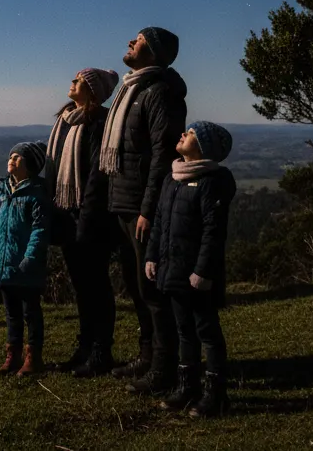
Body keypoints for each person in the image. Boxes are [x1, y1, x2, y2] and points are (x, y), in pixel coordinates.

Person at [99, 26, 187, 394]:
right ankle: (148, 355)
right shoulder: (132, 89)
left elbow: (161, 156)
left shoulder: (159, 92)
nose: (129, 43)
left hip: (140, 205)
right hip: (123, 201)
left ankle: (164, 369)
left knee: (152, 290)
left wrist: (147, 209)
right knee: (138, 288)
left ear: (151, 50)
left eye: (136, 39)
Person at [144, 120, 236, 417]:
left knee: (206, 330)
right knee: (184, 329)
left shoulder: (212, 181)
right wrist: (152, 257)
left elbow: (213, 231)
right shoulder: (173, 178)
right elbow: (159, 223)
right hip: (173, 268)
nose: (183, 134)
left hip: (197, 274)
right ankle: (188, 387)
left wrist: (203, 271)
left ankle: (216, 393)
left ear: (204, 148)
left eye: (192, 134)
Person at [45, 67, 120, 377]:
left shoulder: (98, 121)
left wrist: (87, 218)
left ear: (91, 90)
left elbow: (96, 174)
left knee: (97, 285)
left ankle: (101, 351)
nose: (71, 82)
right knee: (81, 286)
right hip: (66, 212)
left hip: (90, 216)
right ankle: (85, 347)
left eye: (78, 80)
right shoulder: (65, 120)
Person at [0, 140, 50, 377]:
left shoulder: (36, 195)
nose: (12, 159)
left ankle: (33, 356)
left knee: (31, 312)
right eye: (11, 156)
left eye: (18, 157)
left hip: (26, 268)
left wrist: (30, 258)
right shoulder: (0, 192)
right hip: (3, 266)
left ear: (30, 165)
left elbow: (40, 230)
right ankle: (13, 354)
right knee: (12, 314)